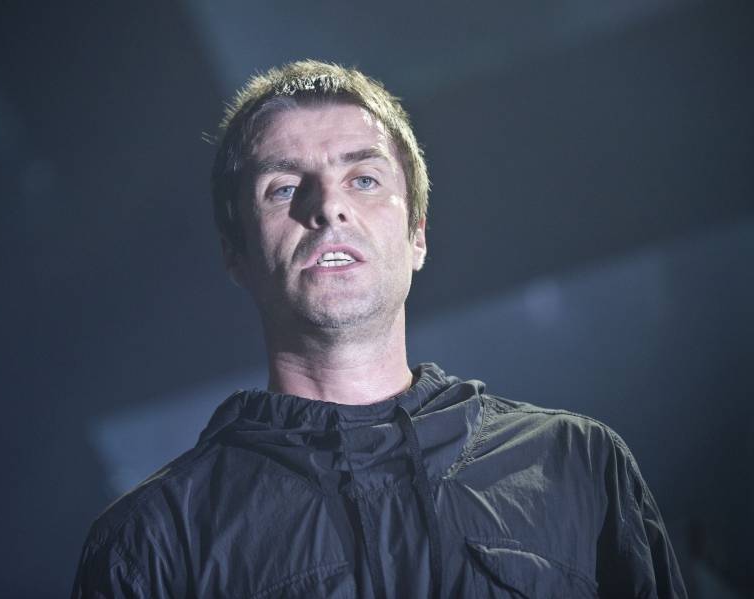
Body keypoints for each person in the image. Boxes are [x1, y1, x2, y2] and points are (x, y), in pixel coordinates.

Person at [72, 60, 686, 598]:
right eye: (284, 187)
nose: (328, 207)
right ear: (236, 253)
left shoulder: (576, 467)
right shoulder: (152, 541)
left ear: (417, 233)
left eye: (363, 180)